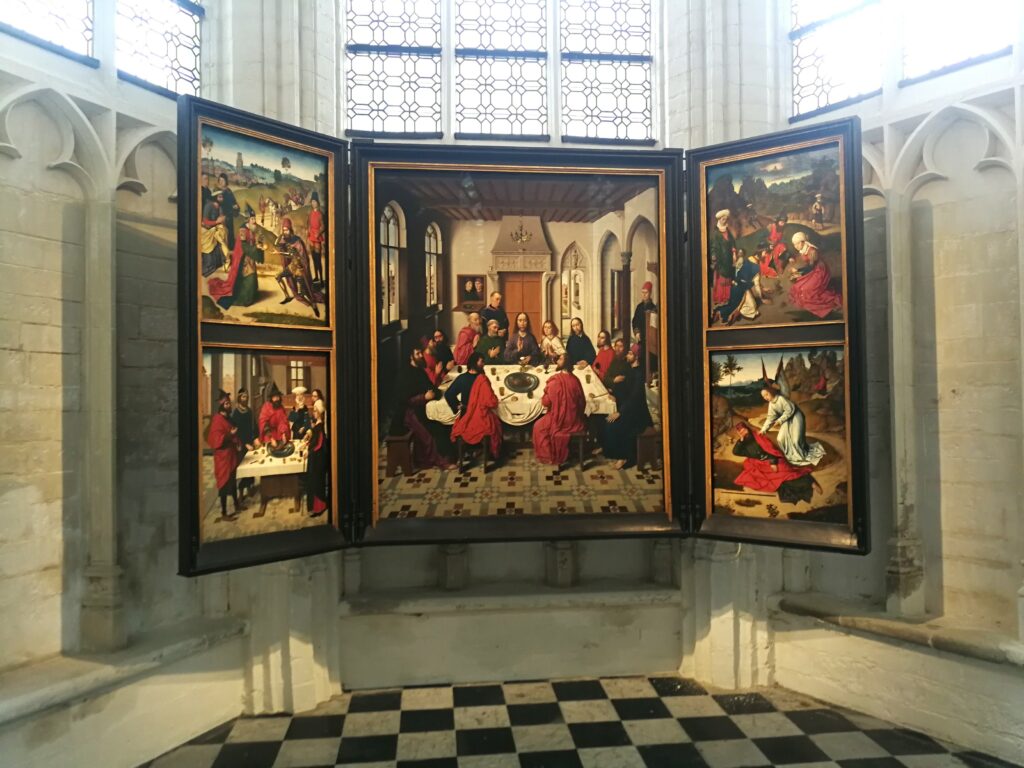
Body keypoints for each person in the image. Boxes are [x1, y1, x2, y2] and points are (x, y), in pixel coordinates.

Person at [390, 347, 453, 469]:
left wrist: (433, 393)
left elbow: (430, 387)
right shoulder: (404, 374)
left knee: (440, 424)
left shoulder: (420, 371)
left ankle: (446, 456)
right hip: (407, 413)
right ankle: (440, 461)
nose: (421, 356)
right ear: (411, 356)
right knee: (428, 434)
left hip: (421, 408)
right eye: (417, 354)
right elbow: (404, 399)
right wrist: (424, 397)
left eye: (420, 353)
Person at [731, 421, 821, 504]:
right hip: (759, 464)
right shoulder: (743, 443)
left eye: (744, 431)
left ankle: (810, 482)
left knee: (786, 473)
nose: (744, 433)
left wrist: (773, 462)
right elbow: (735, 452)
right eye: (741, 432)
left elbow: (771, 450)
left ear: (748, 429)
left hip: (773, 459)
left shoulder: (759, 437)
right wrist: (741, 440)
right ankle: (805, 485)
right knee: (776, 481)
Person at [600, 346, 653, 469]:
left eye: (629, 354)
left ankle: (624, 458)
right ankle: (612, 452)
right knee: (607, 421)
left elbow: (634, 398)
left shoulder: (639, 374)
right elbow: (624, 389)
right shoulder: (629, 369)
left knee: (615, 424)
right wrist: (614, 395)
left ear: (636, 357)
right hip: (628, 409)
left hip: (638, 414)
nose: (626, 356)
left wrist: (620, 413)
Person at [532, 353, 587, 466]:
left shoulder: (555, 381)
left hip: (559, 420)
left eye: (560, 359)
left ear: (565, 363)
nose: (557, 361)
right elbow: (582, 402)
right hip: (574, 419)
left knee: (538, 426)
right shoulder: (575, 380)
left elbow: (545, 403)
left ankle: (548, 456)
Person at [447, 352, 503, 460]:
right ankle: (490, 453)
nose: (483, 364)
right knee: (497, 424)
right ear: (474, 362)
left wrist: (457, 405)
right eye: (481, 361)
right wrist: (495, 399)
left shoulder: (462, 378)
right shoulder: (482, 379)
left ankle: (471, 451)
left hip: (465, 415)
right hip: (480, 417)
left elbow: (449, 394)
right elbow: (491, 402)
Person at [759, 382, 825, 467]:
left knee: (796, 440)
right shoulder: (771, 404)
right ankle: (790, 456)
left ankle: (800, 457)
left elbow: (790, 410)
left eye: (766, 394)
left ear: (771, 392)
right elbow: (770, 417)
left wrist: (779, 420)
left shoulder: (781, 399)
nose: (765, 398)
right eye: (763, 396)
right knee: (780, 439)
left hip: (795, 417)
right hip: (786, 420)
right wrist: (763, 429)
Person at [208, 223, 263, 309]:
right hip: (243, 258)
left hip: (250, 257)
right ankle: (245, 298)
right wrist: (255, 248)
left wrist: (258, 245)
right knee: (249, 276)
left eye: (254, 219)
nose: (254, 221)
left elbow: (253, 243)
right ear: (247, 220)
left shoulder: (251, 231)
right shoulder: (242, 230)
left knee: (253, 277)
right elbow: (244, 246)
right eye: (252, 219)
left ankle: (251, 296)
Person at [788, 231, 842, 318]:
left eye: (797, 244)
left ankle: (831, 301)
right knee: (798, 286)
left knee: (807, 291)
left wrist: (798, 271)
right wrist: (798, 272)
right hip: (813, 269)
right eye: (794, 245)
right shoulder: (804, 249)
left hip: (820, 271)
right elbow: (808, 266)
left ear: (802, 242)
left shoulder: (812, 251)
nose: (796, 246)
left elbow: (811, 267)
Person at [207, 390, 243, 519]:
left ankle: (236, 504)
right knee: (223, 484)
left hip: (231, 455)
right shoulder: (217, 420)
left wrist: (237, 441)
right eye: (227, 404)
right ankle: (223, 512)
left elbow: (233, 433)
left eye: (229, 403)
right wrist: (231, 435)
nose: (229, 406)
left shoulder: (228, 418)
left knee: (233, 482)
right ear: (221, 405)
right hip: (222, 457)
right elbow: (217, 440)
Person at [275, 218, 321, 317]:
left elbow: (295, 255)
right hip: (292, 266)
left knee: (306, 290)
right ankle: (287, 296)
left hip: (299, 268)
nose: (285, 232)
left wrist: (279, 252)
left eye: (286, 230)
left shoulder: (297, 241)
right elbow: (277, 244)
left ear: (290, 229)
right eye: (283, 230)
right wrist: (279, 237)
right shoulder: (284, 239)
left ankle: (314, 306)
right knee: (277, 277)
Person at [716, 248, 761, 325]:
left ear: (744, 254)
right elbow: (735, 271)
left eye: (741, 252)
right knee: (736, 303)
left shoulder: (744, 262)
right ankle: (726, 313)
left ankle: (732, 312)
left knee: (746, 304)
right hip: (738, 284)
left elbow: (743, 275)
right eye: (738, 252)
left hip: (741, 284)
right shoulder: (738, 261)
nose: (739, 254)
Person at [304, 397, 329, 517]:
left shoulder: (320, 426)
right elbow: (315, 441)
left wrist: (309, 452)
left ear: (319, 412)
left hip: (317, 459)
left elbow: (319, 444)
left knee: (316, 483)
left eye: (314, 410)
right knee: (314, 482)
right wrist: (308, 444)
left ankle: (319, 508)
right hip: (316, 457)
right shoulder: (318, 425)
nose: (313, 412)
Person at [709, 209, 736, 309]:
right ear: (719, 219)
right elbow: (713, 247)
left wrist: (733, 252)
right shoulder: (715, 233)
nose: (724, 220)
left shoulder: (727, 230)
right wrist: (714, 256)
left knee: (728, 278)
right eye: (723, 219)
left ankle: (727, 297)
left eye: (726, 219)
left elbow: (732, 242)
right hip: (720, 260)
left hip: (728, 258)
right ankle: (719, 298)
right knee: (721, 279)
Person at [200, 193, 230, 278]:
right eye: (220, 197)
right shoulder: (208, 206)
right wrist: (217, 222)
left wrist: (222, 220)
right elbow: (205, 221)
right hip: (207, 231)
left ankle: (225, 260)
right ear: (215, 197)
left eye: (222, 197)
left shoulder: (220, 207)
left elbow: (221, 219)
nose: (222, 199)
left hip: (215, 229)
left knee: (224, 232)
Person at [258, 383, 291, 447]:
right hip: (268, 436)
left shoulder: (281, 408)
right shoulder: (266, 407)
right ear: (271, 398)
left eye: (278, 397)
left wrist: (284, 433)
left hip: (279, 434)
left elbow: (283, 422)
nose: (277, 399)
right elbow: (263, 424)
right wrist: (271, 438)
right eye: (274, 397)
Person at [215, 173, 240, 249]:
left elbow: (234, 202)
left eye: (223, 180)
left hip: (229, 216)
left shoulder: (229, 191)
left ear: (226, 181)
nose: (222, 182)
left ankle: (230, 250)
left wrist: (236, 206)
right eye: (220, 180)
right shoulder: (217, 192)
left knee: (230, 234)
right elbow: (218, 204)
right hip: (221, 216)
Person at [306, 196, 326, 285]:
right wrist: (308, 232)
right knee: (313, 258)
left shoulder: (320, 214)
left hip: (317, 237)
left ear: (318, 203)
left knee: (318, 259)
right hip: (311, 237)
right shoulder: (310, 214)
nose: (313, 203)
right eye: (312, 202)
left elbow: (323, 226)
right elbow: (309, 225)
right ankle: (316, 277)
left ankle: (321, 278)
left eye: (315, 202)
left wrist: (319, 233)